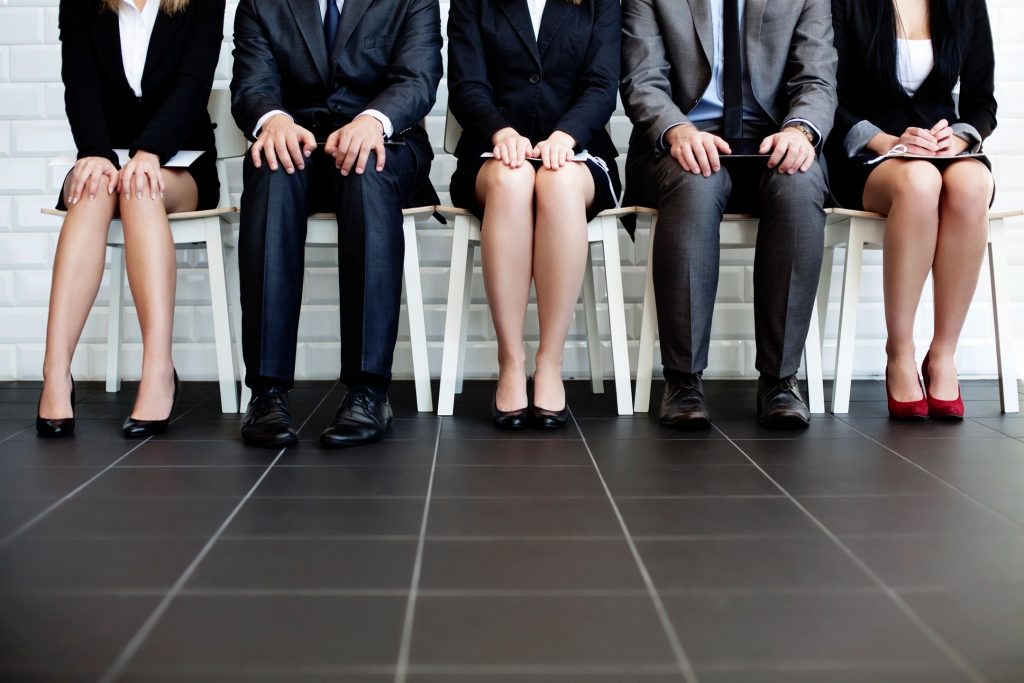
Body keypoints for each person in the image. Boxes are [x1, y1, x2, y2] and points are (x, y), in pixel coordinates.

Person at [231, 0, 443, 449]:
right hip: (299, 141)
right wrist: (275, 121)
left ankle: (368, 391)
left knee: (365, 168)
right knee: (273, 170)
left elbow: (418, 78)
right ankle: (267, 392)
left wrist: (372, 120)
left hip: (384, 143)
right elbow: (252, 84)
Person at [620, 0, 838, 430]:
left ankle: (780, 379)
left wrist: (799, 130)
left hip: (772, 138)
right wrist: (677, 130)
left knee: (799, 183)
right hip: (684, 139)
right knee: (695, 181)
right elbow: (642, 79)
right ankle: (683, 380)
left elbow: (816, 79)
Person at [38, 0, 224, 439]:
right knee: (92, 189)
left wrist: (150, 152)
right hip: (107, 153)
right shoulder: (83, 5)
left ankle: (158, 371)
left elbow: (192, 88)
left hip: (178, 160)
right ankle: (55, 373)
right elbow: (79, 87)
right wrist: (98, 155)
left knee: (141, 188)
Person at [447, 0, 622, 431]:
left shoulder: (601, 3)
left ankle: (549, 361)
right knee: (514, 180)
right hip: (494, 151)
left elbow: (602, 86)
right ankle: (511, 360)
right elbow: (466, 84)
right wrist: (500, 130)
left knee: (557, 183)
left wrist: (567, 134)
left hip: (578, 152)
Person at [828, 0, 996, 421]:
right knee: (921, 182)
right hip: (869, 152)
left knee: (973, 185)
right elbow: (828, 94)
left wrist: (957, 139)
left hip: (940, 147)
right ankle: (899, 352)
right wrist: (885, 141)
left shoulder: (966, 4)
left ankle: (942, 354)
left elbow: (982, 102)